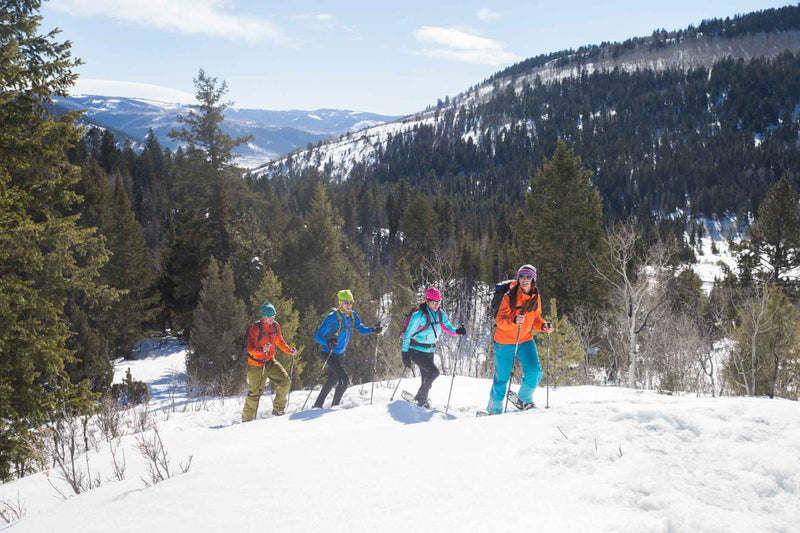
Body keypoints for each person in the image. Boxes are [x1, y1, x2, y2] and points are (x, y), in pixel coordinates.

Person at [487, 264, 554, 415]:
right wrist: (514, 320)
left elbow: (535, 318)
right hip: (504, 341)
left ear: (533, 280)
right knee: (501, 379)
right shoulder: (509, 296)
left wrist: (543, 326)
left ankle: (523, 399)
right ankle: (493, 412)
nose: (524, 280)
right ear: (518, 279)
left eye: (528, 277)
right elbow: (500, 321)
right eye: (522, 277)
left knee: (535, 372)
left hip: (525, 340)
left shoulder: (536, 297)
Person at [312, 290, 381, 408]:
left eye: (350, 302)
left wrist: (372, 330)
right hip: (329, 352)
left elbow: (360, 329)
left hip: (340, 354)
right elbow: (317, 336)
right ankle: (335, 407)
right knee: (344, 381)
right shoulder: (332, 317)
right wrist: (327, 342)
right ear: (340, 303)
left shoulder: (353, 315)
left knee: (332, 380)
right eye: (346, 302)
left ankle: (317, 405)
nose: (349, 305)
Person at [401, 287, 466, 408]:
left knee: (427, 379)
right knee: (434, 373)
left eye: (438, 302)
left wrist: (457, 331)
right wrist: (404, 353)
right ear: (427, 301)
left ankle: (421, 402)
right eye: (433, 302)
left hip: (429, 350)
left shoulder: (440, 314)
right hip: (415, 350)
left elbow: (448, 328)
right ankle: (420, 397)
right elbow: (408, 334)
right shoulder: (418, 315)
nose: (436, 305)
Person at [242, 302, 298, 421]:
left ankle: (278, 410)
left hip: (270, 361)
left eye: (274, 316)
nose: (273, 319)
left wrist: (289, 351)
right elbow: (249, 348)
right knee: (255, 393)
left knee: (285, 381)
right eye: (271, 316)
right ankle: (247, 421)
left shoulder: (275, 326)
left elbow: (279, 341)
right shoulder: (255, 328)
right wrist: (262, 350)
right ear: (264, 316)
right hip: (256, 365)